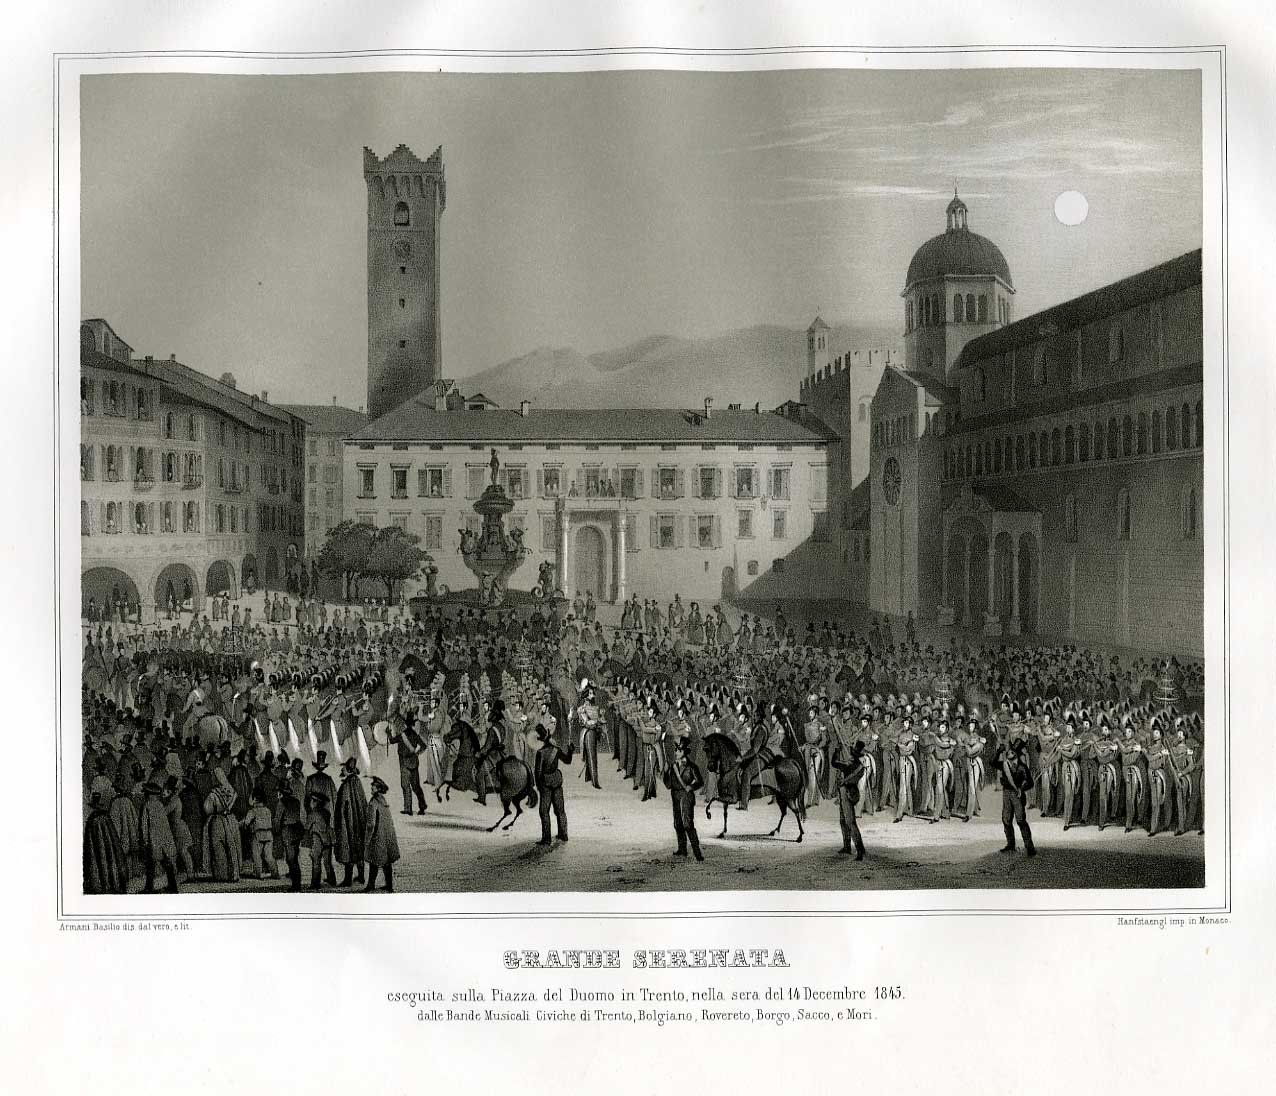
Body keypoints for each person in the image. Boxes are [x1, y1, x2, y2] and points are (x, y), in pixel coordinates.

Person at [663, 734, 704, 861]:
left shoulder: (692, 767)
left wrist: (690, 787)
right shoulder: (673, 766)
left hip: (686, 797)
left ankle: (697, 853)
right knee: (677, 824)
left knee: (688, 824)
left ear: (684, 752)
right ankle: (682, 849)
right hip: (675, 795)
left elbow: (700, 782)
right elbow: (668, 785)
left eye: (678, 750)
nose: (676, 752)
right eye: (675, 750)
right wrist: (665, 772)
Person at [533, 723, 574, 845]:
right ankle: (563, 834)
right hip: (556, 780)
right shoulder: (556, 750)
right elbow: (567, 760)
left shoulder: (540, 753)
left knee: (544, 811)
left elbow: (538, 772)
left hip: (545, 783)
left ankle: (546, 839)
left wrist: (539, 786)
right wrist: (570, 751)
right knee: (560, 810)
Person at [995, 739, 1036, 856]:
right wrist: (998, 752)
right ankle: (1010, 844)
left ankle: (1030, 848)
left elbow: (1030, 783)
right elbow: (992, 763)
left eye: (1012, 752)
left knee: (1021, 821)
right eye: (1008, 752)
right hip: (1006, 794)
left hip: (1017, 795)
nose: (1009, 754)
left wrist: (1021, 789)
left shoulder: (1022, 768)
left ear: (1016, 754)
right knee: (1006, 820)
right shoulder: (1005, 765)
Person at [138, 780, 180, 893]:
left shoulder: (146, 806)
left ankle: (149, 888)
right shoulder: (160, 805)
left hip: (153, 840)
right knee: (166, 863)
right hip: (164, 839)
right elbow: (165, 824)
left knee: (151, 864)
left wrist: (145, 840)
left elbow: (144, 826)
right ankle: (173, 887)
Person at [830, 740, 867, 860]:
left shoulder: (858, 767)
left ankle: (860, 849)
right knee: (842, 821)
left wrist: (844, 780)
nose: (850, 756)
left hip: (849, 793)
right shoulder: (848, 764)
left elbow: (853, 778)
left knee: (850, 822)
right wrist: (836, 751)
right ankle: (847, 847)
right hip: (842, 793)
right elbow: (834, 763)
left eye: (852, 755)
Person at [334, 756, 368, 888]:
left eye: (344, 768)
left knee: (348, 849)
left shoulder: (347, 785)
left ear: (347, 770)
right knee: (358, 850)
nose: (342, 769)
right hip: (358, 824)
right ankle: (361, 877)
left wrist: (341, 823)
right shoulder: (357, 783)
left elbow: (343, 807)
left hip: (349, 825)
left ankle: (348, 880)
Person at [363, 776, 400, 892]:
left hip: (377, 837)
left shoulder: (373, 802)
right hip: (386, 837)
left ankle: (370, 885)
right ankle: (389, 886)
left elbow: (371, 824)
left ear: (378, 788)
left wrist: (367, 839)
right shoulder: (383, 801)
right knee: (386, 862)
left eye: (373, 786)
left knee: (374, 861)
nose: (371, 788)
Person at [239, 790, 278, 880]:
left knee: (256, 855)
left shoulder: (252, 811)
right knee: (269, 856)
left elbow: (246, 822)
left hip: (258, 834)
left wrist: (238, 824)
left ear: (255, 799)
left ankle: (258, 874)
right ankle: (275, 873)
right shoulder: (267, 810)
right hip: (268, 834)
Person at [305, 791, 337, 889]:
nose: (311, 803)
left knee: (316, 861)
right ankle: (332, 880)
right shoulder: (326, 812)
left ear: (315, 802)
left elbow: (307, 827)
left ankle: (315, 884)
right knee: (327, 862)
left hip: (317, 839)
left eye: (312, 801)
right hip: (327, 839)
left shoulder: (312, 813)